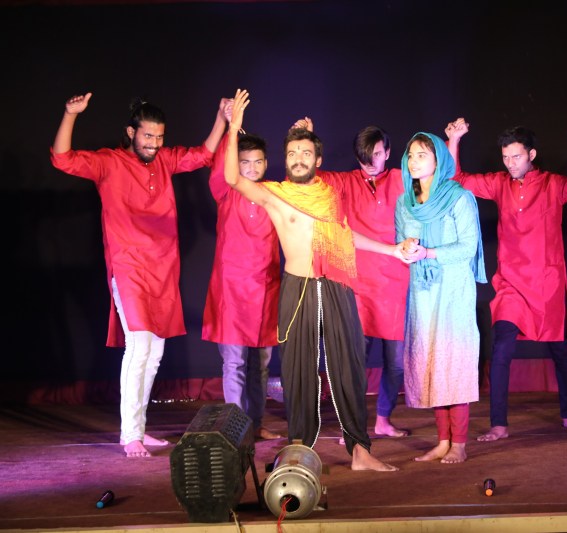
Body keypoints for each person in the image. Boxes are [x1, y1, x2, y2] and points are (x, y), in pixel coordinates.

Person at [224, 89, 404, 471]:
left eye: (306, 153)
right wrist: (234, 127)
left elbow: (346, 237)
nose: (298, 159)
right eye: (292, 153)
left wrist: (391, 250)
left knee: (349, 367)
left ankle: (360, 451)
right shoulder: (275, 194)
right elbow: (231, 177)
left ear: (318, 160)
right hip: (298, 287)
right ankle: (299, 448)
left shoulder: (329, 196)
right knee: (297, 371)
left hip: (336, 285)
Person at [51, 92, 228, 457]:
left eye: (159, 137)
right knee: (139, 346)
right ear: (131, 132)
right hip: (128, 266)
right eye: (148, 136)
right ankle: (130, 434)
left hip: (163, 269)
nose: (154, 143)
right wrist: (70, 114)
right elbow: (62, 158)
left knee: (156, 353)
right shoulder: (109, 162)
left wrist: (222, 118)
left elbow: (203, 154)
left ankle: (139, 430)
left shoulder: (165, 160)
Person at [446, 120, 567, 442]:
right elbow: (457, 179)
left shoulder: (554, 184)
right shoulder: (499, 184)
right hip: (511, 284)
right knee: (501, 351)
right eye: (506, 157)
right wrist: (454, 140)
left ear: (531, 155)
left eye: (516, 157)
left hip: (547, 283)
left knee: (561, 351)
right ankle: (499, 424)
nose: (511, 164)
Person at [290, 118, 409, 440]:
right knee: (352, 362)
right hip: (357, 285)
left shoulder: (401, 179)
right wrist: (304, 138)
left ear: (388, 152)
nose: (371, 164)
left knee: (396, 363)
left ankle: (383, 419)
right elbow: (304, 179)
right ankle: (351, 425)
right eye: (365, 158)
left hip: (395, 284)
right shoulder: (345, 181)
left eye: (378, 155)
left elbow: (441, 181)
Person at [395, 131, 487, 464]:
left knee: (453, 361)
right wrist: (407, 249)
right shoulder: (405, 203)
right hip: (423, 292)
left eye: (422, 155)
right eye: (410, 155)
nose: (414, 161)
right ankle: (442, 441)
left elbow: (468, 247)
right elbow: (401, 244)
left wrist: (429, 252)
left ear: (439, 160)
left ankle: (459, 443)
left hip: (453, 291)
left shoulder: (458, 198)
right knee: (431, 361)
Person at [201, 107, 283, 441]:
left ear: (266, 163)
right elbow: (223, 165)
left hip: (265, 290)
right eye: (244, 162)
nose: (251, 168)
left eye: (257, 162)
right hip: (231, 292)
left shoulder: (274, 194)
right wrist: (231, 127)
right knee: (233, 363)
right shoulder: (225, 189)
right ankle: (236, 430)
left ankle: (256, 424)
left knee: (259, 366)